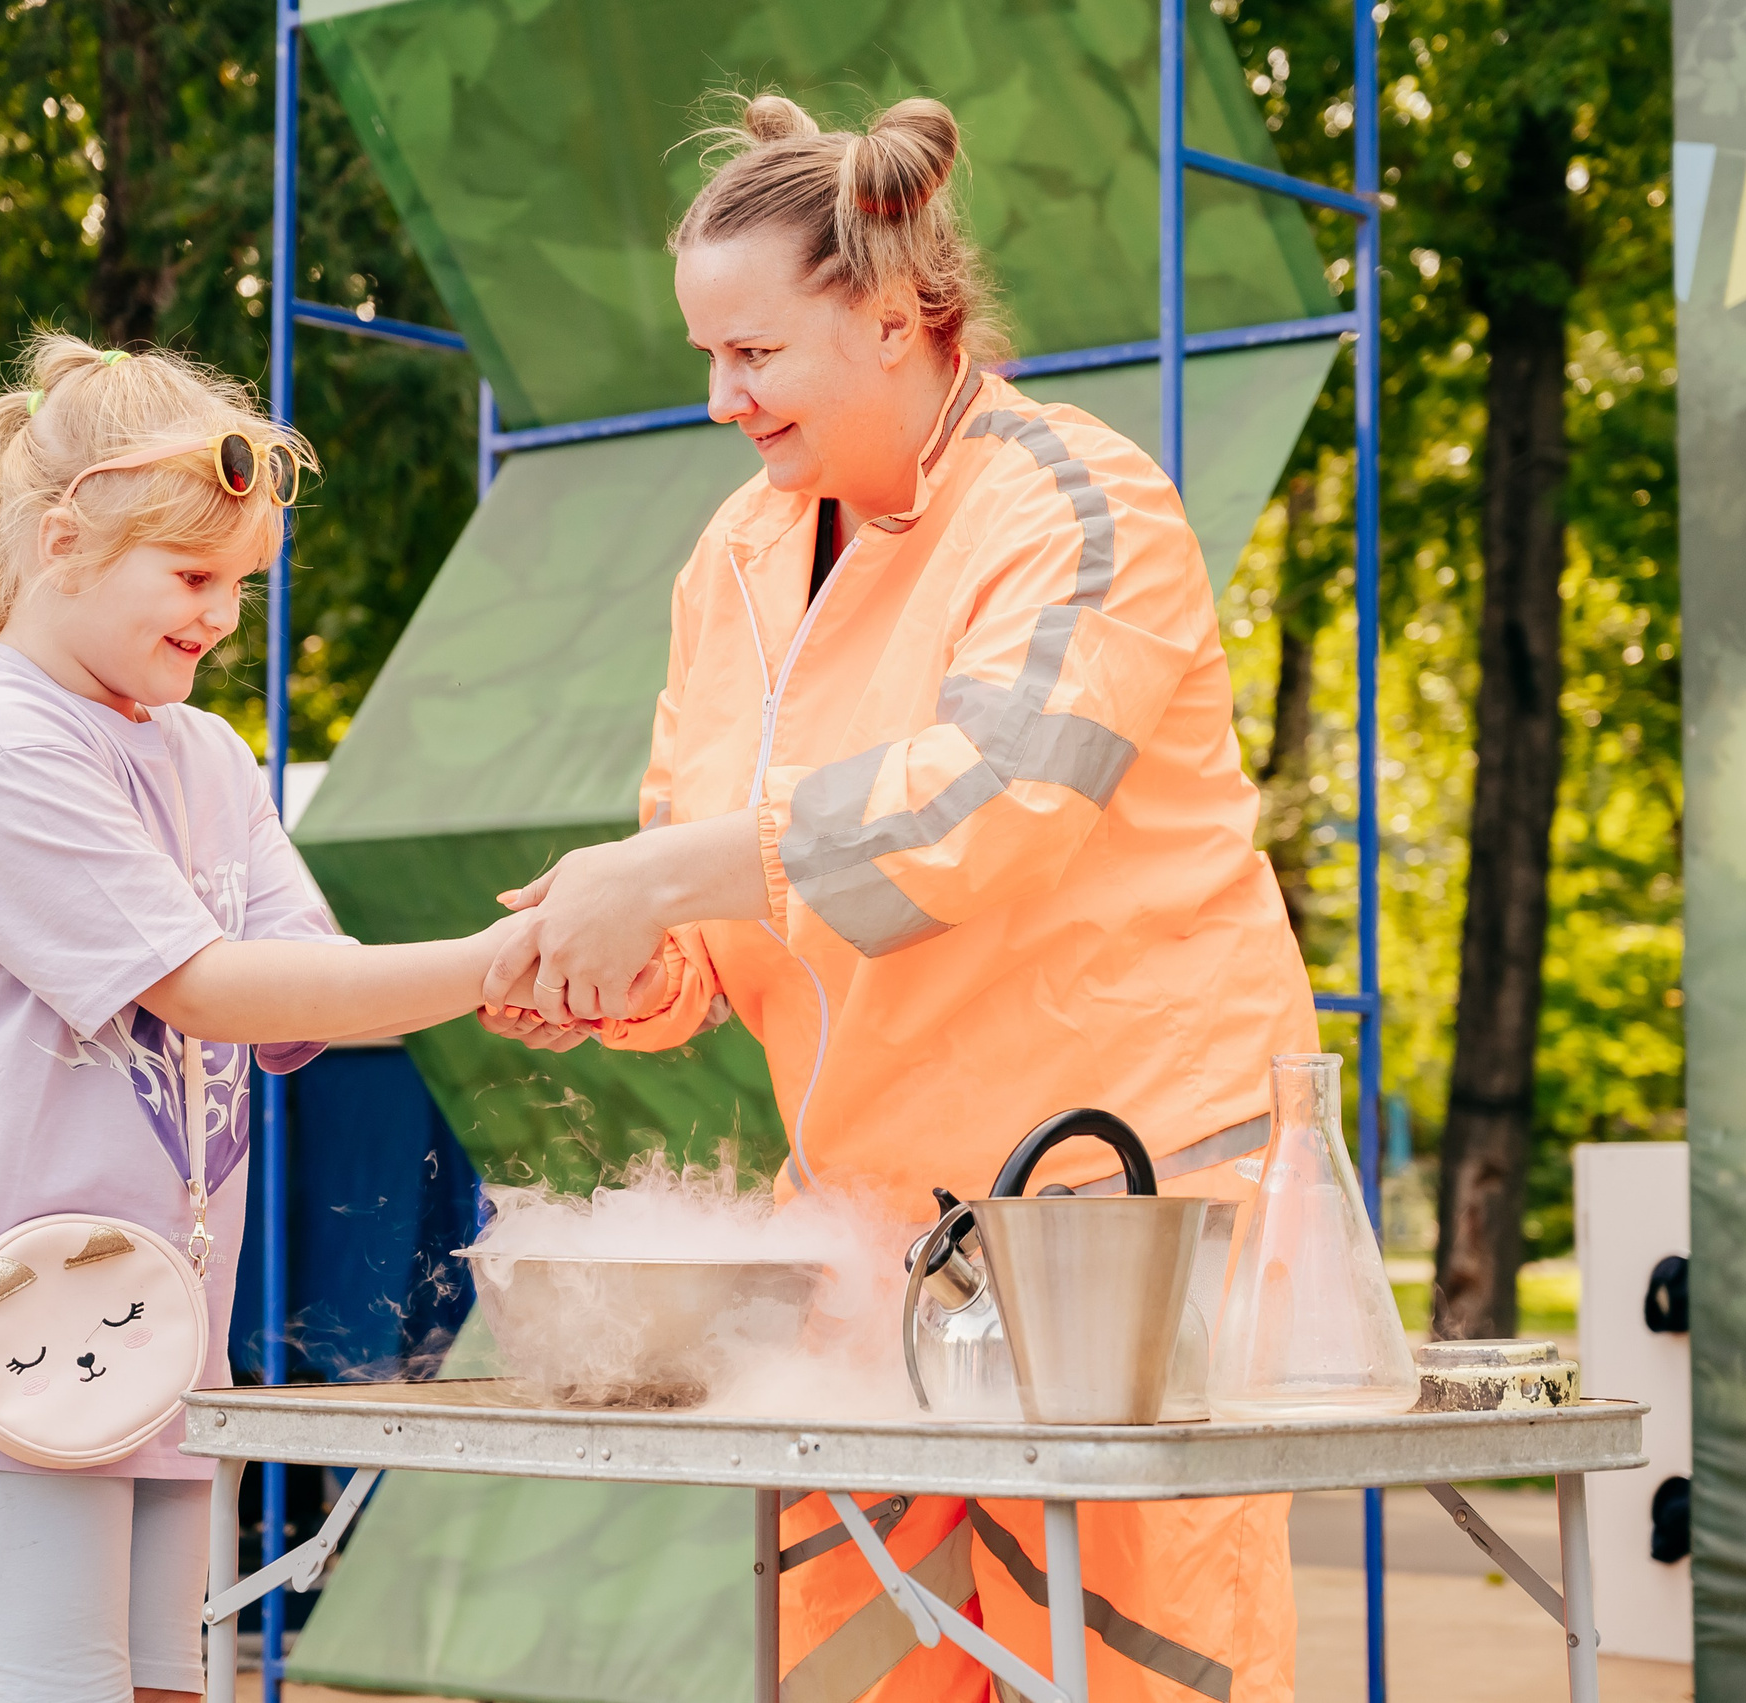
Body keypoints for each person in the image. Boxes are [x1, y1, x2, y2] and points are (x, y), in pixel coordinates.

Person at [481, 95, 1321, 1703]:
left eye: (754, 354)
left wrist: (657, 875)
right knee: (859, 1664)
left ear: (890, 320)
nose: (720, 399)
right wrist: (611, 968)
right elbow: (725, 908)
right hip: (873, 1236)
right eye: (706, 355)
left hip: (1125, 1217)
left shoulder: (1085, 507)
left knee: (1138, 1659)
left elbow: (986, 801)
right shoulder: (730, 558)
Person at [0, 334, 526, 1703]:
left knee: (162, 1690)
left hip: (152, 1320)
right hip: (1, 1313)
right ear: (62, 541)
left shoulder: (203, 752)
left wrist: (528, 984)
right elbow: (204, 985)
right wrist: (490, 964)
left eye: (238, 585)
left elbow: (306, 980)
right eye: (193, 578)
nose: (221, 619)